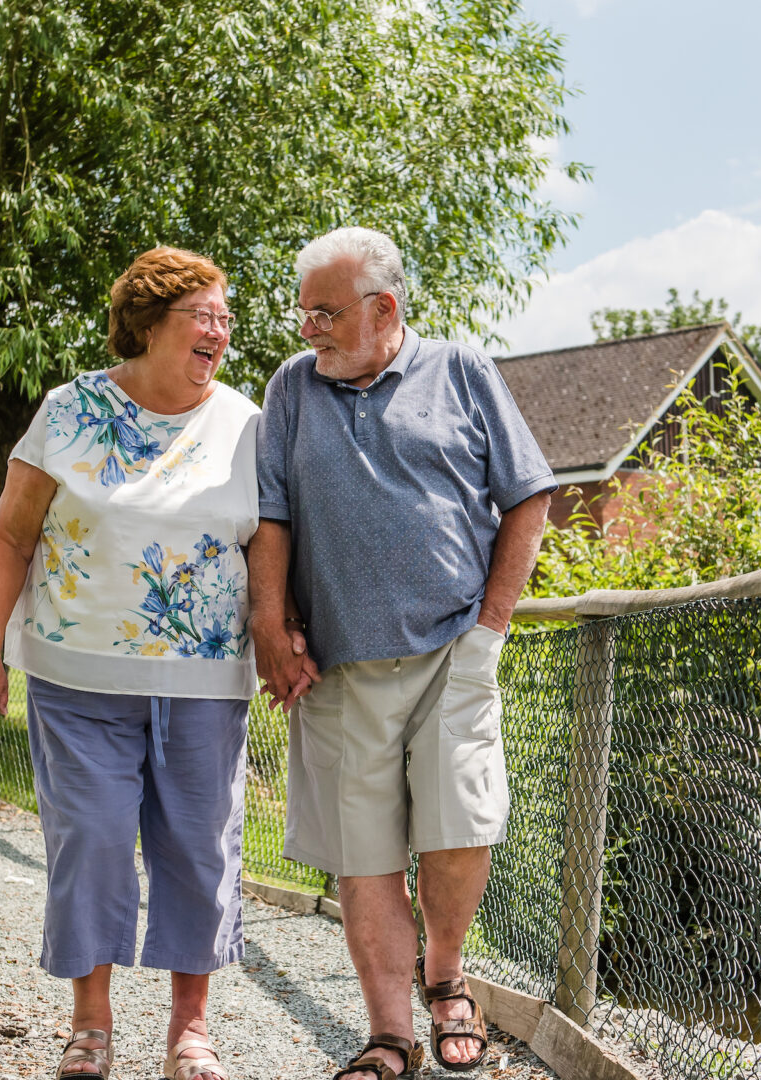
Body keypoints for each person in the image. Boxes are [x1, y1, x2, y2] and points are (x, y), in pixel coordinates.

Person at [251, 227, 555, 1080]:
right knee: (366, 855)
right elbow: (271, 516)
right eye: (303, 310)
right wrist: (270, 627)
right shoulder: (291, 390)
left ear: (384, 308)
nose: (308, 327)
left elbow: (529, 498)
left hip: (452, 648)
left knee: (461, 822)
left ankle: (448, 978)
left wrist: (490, 629)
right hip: (340, 665)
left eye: (326, 311)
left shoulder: (462, 371)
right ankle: (390, 1037)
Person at [0, 247, 259, 1080]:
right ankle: (90, 1022)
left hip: (203, 682)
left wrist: (277, 627)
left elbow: (269, 538)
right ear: (150, 322)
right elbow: (12, 536)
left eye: (226, 317)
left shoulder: (246, 422)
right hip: (78, 676)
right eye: (204, 315)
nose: (221, 330)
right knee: (88, 839)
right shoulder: (70, 410)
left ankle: (189, 1030)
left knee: (199, 847)